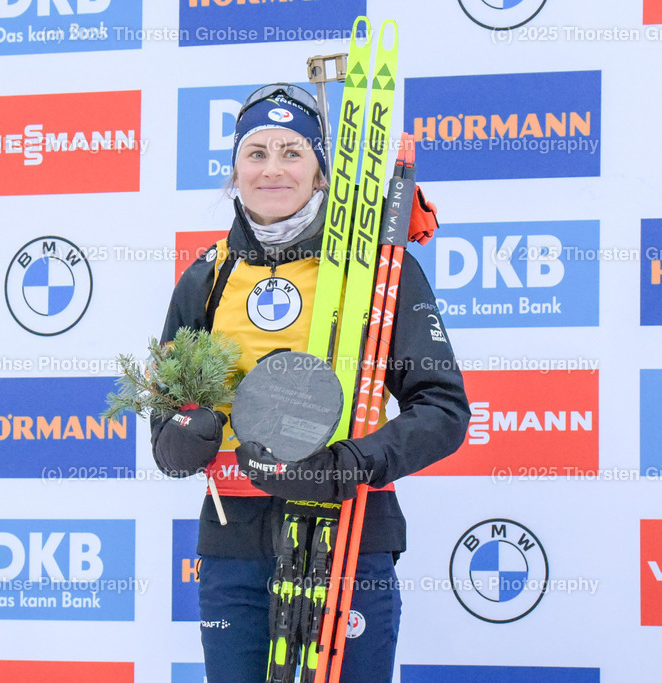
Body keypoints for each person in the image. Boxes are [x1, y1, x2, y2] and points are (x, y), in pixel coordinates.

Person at [150, 84, 470, 682]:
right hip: (235, 548)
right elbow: (166, 425)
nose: (272, 169)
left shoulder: (377, 270)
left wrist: (346, 465)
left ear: (321, 171)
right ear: (235, 171)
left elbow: (443, 411)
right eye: (257, 153)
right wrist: (179, 440)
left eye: (292, 151)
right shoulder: (206, 278)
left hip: (349, 533)